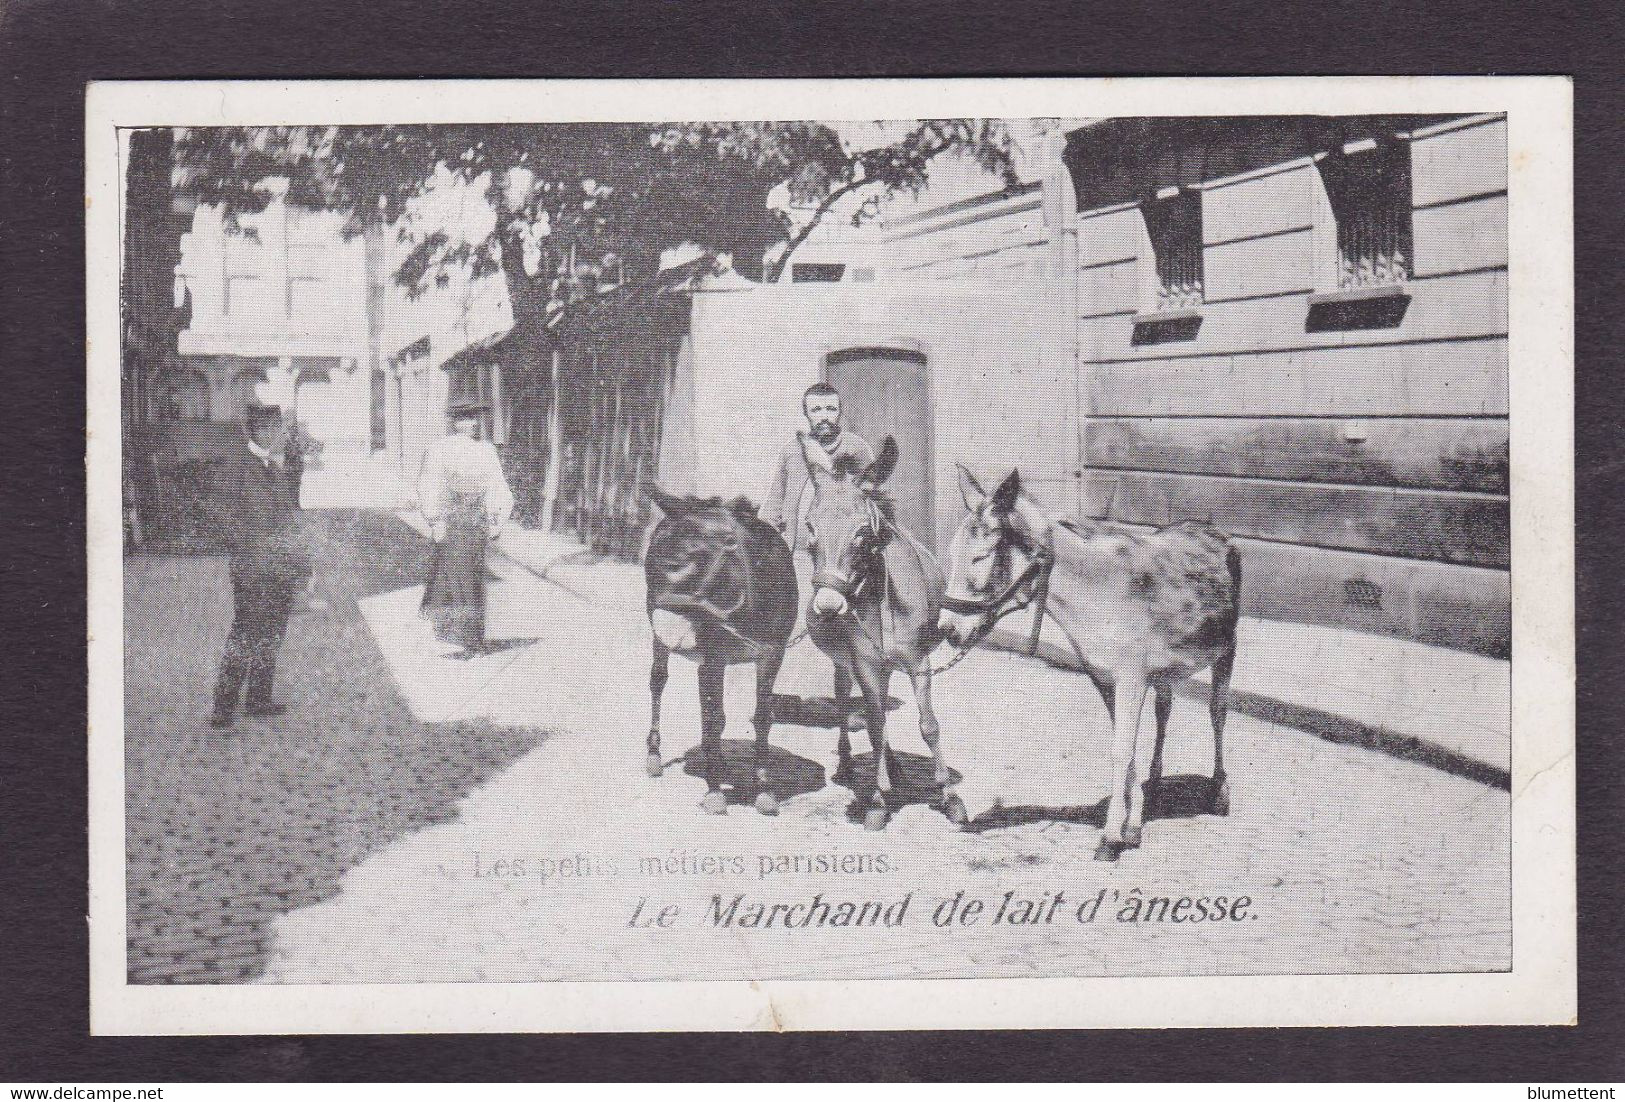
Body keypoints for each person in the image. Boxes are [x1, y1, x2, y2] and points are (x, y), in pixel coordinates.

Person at [760, 382, 874, 729]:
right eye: (816, 410)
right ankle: (785, 699)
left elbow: (873, 498)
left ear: (840, 412)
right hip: (798, 551)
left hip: (840, 554)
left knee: (846, 623)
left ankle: (853, 703)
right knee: (791, 621)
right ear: (806, 414)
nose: (824, 417)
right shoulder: (792, 451)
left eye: (831, 409)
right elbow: (775, 500)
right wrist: (766, 538)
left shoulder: (856, 449)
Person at [202, 403, 311, 729]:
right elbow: (219, 511)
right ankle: (223, 706)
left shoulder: (276, 468)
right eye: (269, 429)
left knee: (273, 631)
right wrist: (248, 545)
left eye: (277, 428)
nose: (274, 434)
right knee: (246, 632)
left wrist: (301, 565)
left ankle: (259, 699)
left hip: (279, 566)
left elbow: (293, 515)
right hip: (252, 566)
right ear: (256, 431)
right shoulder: (236, 465)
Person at [417, 411, 515, 655]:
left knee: (471, 575)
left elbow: (497, 485)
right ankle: (463, 636)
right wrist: (435, 518)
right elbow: (430, 483)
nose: (469, 424)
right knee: (457, 575)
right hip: (453, 518)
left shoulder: (486, 451)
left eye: (472, 419)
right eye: (463, 419)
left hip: (475, 519)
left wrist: (496, 519)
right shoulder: (440, 449)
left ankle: (469, 636)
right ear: (454, 423)